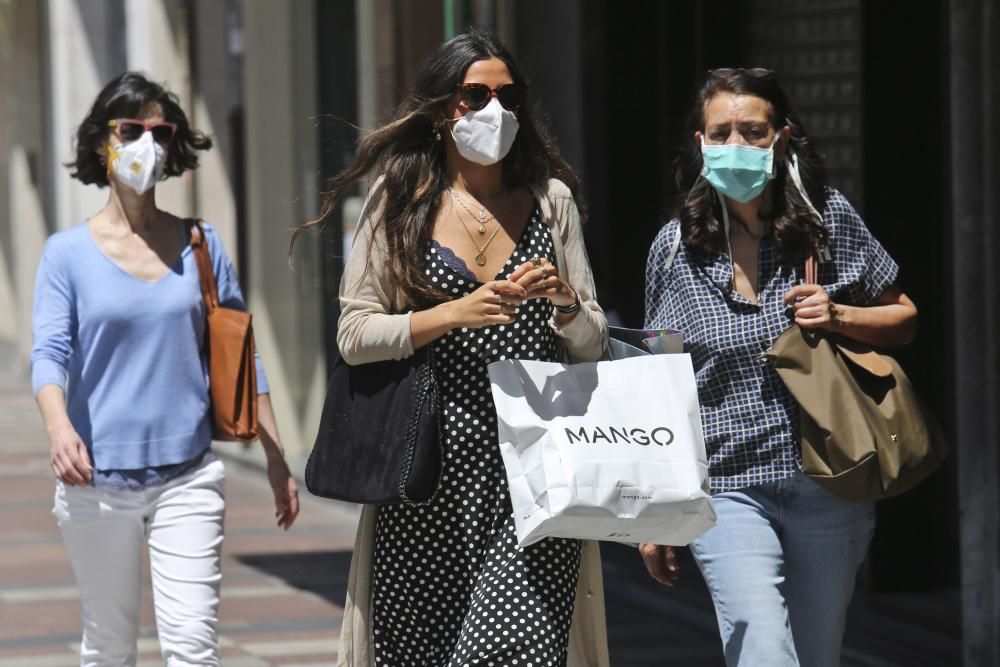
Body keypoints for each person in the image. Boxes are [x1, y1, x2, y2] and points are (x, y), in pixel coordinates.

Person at [294, 30, 609, 666]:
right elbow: (354, 335)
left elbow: (595, 341)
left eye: (507, 94)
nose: (494, 108)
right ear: (443, 110)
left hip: (536, 475)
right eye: (475, 95)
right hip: (427, 476)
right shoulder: (399, 203)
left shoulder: (552, 204)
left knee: (507, 651)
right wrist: (450, 314)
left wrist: (565, 303)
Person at [641, 68, 918, 667]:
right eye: (721, 132)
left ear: (782, 138)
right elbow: (657, 382)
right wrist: (657, 513)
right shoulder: (674, 247)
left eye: (753, 131)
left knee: (816, 655)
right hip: (728, 487)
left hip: (828, 479)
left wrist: (838, 313)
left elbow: (904, 318)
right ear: (699, 142)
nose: (735, 145)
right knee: (762, 647)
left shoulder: (826, 222)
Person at [31, 71, 300, 666]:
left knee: (192, 648)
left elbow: (241, 353)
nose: (145, 144)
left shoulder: (202, 243)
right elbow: (48, 353)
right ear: (104, 142)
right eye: (131, 129)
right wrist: (59, 428)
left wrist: (276, 454)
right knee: (108, 647)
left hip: (189, 477)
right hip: (96, 482)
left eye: (160, 131)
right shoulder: (65, 254)